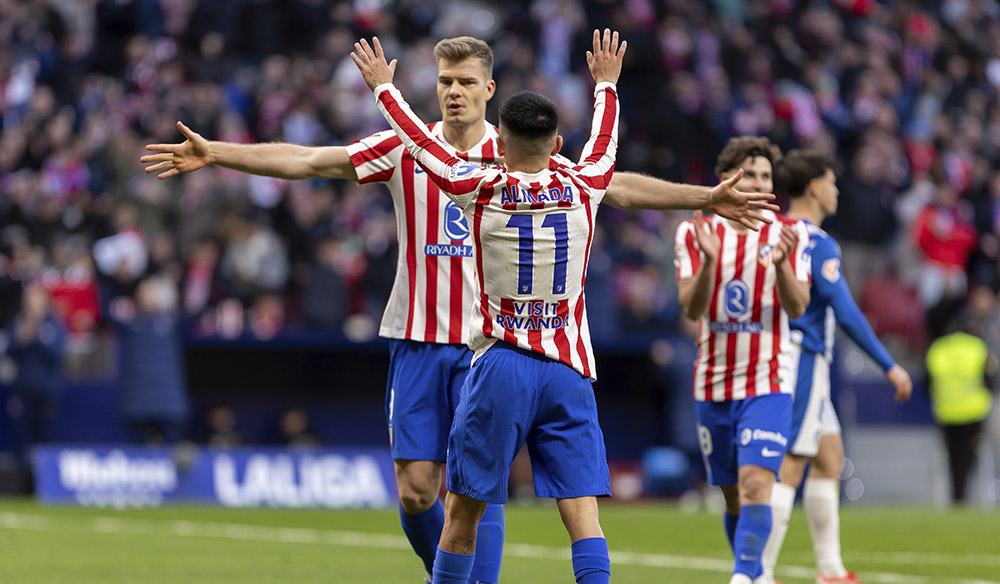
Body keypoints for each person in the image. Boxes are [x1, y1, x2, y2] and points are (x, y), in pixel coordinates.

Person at [141, 36, 776, 583]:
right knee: (419, 493)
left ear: (489, 90)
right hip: (420, 336)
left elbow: (620, 186)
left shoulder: (512, 157)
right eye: (445, 81)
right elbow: (308, 160)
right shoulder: (405, 149)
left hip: (488, 348)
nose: (453, 91)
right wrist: (218, 151)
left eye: (466, 82)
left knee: (476, 489)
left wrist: (701, 196)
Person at [353, 28, 624, 584]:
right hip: (568, 369)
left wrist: (384, 89)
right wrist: (606, 85)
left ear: (500, 143)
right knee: (584, 518)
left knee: (462, 511)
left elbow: (421, 144)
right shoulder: (588, 184)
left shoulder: (481, 188)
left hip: (502, 363)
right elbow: (604, 140)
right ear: (556, 143)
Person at [759, 149, 913, 584]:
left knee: (829, 458)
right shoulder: (818, 243)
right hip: (802, 357)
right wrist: (889, 365)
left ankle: (830, 570)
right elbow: (845, 311)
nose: (837, 190)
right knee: (792, 462)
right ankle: (758, 572)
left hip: (780, 354)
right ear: (814, 188)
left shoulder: (770, 231)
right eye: (831, 182)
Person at [673, 136, 812, 584]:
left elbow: (798, 308)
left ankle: (744, 576)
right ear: (726, 180)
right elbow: (691, 309)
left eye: (765, 176)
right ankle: (755, 573)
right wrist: (710, 263)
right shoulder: (696, 231)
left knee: (757, 484)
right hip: (713, 383)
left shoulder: (789, 233)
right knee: (733, 494)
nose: (757, 183)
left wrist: (783, 264)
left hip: (767, 380)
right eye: (748, 174)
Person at [925, 321, 995, 505]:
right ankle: (966, 498)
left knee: (953, 459)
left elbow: (927, 383)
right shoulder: (977, 348)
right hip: (973, 413)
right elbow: (990, 381)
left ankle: (957, 497)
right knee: (970, 458)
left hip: (947, 413)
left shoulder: (938, 349)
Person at [5, 283, 66, 464]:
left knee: (45, 436)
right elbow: (10, 351)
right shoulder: (18, 322)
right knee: (22, 437)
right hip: (23, 390)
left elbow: (56, 353)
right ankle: (24, 473)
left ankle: (44, 472)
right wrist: (23, 338)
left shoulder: (53, 324)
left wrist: (36, 336)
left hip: (46, 391)